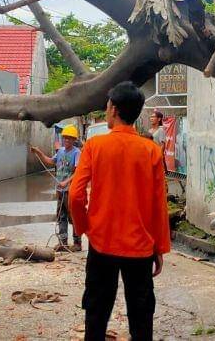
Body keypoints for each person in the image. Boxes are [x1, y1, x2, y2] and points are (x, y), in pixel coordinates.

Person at [70, 81, 171, 341]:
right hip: (139, 248)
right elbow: (158, 205)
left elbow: (75, 195)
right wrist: (158, 247)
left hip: (102, 244)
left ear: (113, 109)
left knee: (96, 312)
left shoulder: (94, 146)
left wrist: (83, 228)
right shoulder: (151, 151)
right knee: (141, 316)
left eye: (106, 106)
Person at [30, 125, 83, 252]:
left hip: (70, 190)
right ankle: (63, 243)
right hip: (60, 191)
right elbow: (49, 161)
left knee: (73, 216)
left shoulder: (77, 153)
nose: (66, 140)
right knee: (61, 216)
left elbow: (78, 171)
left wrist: (66, 182)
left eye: (69, 138)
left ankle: (77, 243)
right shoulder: (60, 152)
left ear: (74, 139)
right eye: (65, 138)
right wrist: (39, 152)